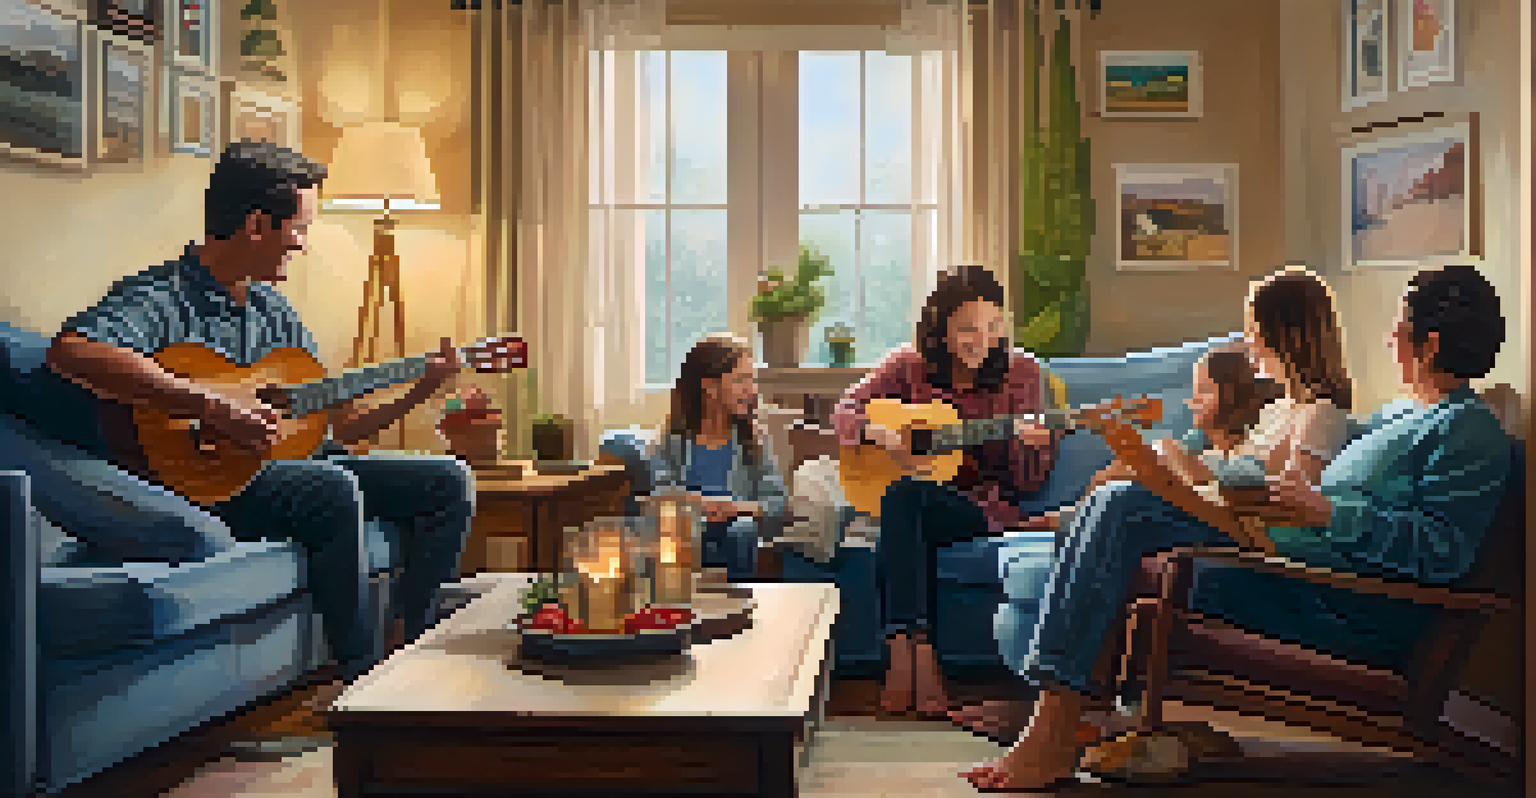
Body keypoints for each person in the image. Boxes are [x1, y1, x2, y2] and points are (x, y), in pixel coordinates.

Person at [964, 263, 1514, 791]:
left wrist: (1323, 511)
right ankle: (1063, 719)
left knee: (1123, 507)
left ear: (1429, 344)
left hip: (1335, 605)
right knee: (1117, 502)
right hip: (1284, 561)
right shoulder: (1399, 416)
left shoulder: (1467, 431)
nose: (1391, 338)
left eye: (1399, 327)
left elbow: (1443, 552)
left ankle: (1053, 729)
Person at [45, 141, 473, 683]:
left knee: (447, 480)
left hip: (293, 465)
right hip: (210, 479)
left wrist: (419, 391)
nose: (302, 243)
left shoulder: (273, 309)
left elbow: (340, 425)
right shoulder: (159, 297)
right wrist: (210, 405)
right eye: (299, 228)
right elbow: (72, 351)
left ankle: (418, 651)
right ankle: (361, 676)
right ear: (255, 225)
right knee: (331, 488)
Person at [833, 263, 1059, 717]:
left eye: (993, 326)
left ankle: (906, 658)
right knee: (905, 496)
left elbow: (1026, 483)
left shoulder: (1022, 373)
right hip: (911, 506)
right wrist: (882, 434)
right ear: (941, 329)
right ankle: (916, 653)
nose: (983, 340)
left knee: (903, 498)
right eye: (968, 328)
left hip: (976, 510)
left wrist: (1031, 445)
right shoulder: (907, 366)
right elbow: (844, 412)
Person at [651, 334, 787, 582]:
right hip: (689, 529)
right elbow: (659, 494)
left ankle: (740, 599)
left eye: (752, 380)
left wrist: (735, 508)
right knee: (682, 533)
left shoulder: (752, 440)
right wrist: (699, 503)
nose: (752, 390)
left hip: (736, 531)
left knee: (742, 530)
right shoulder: (674, 440)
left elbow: (778, 502)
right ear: (710, 387)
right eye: (741, 380)